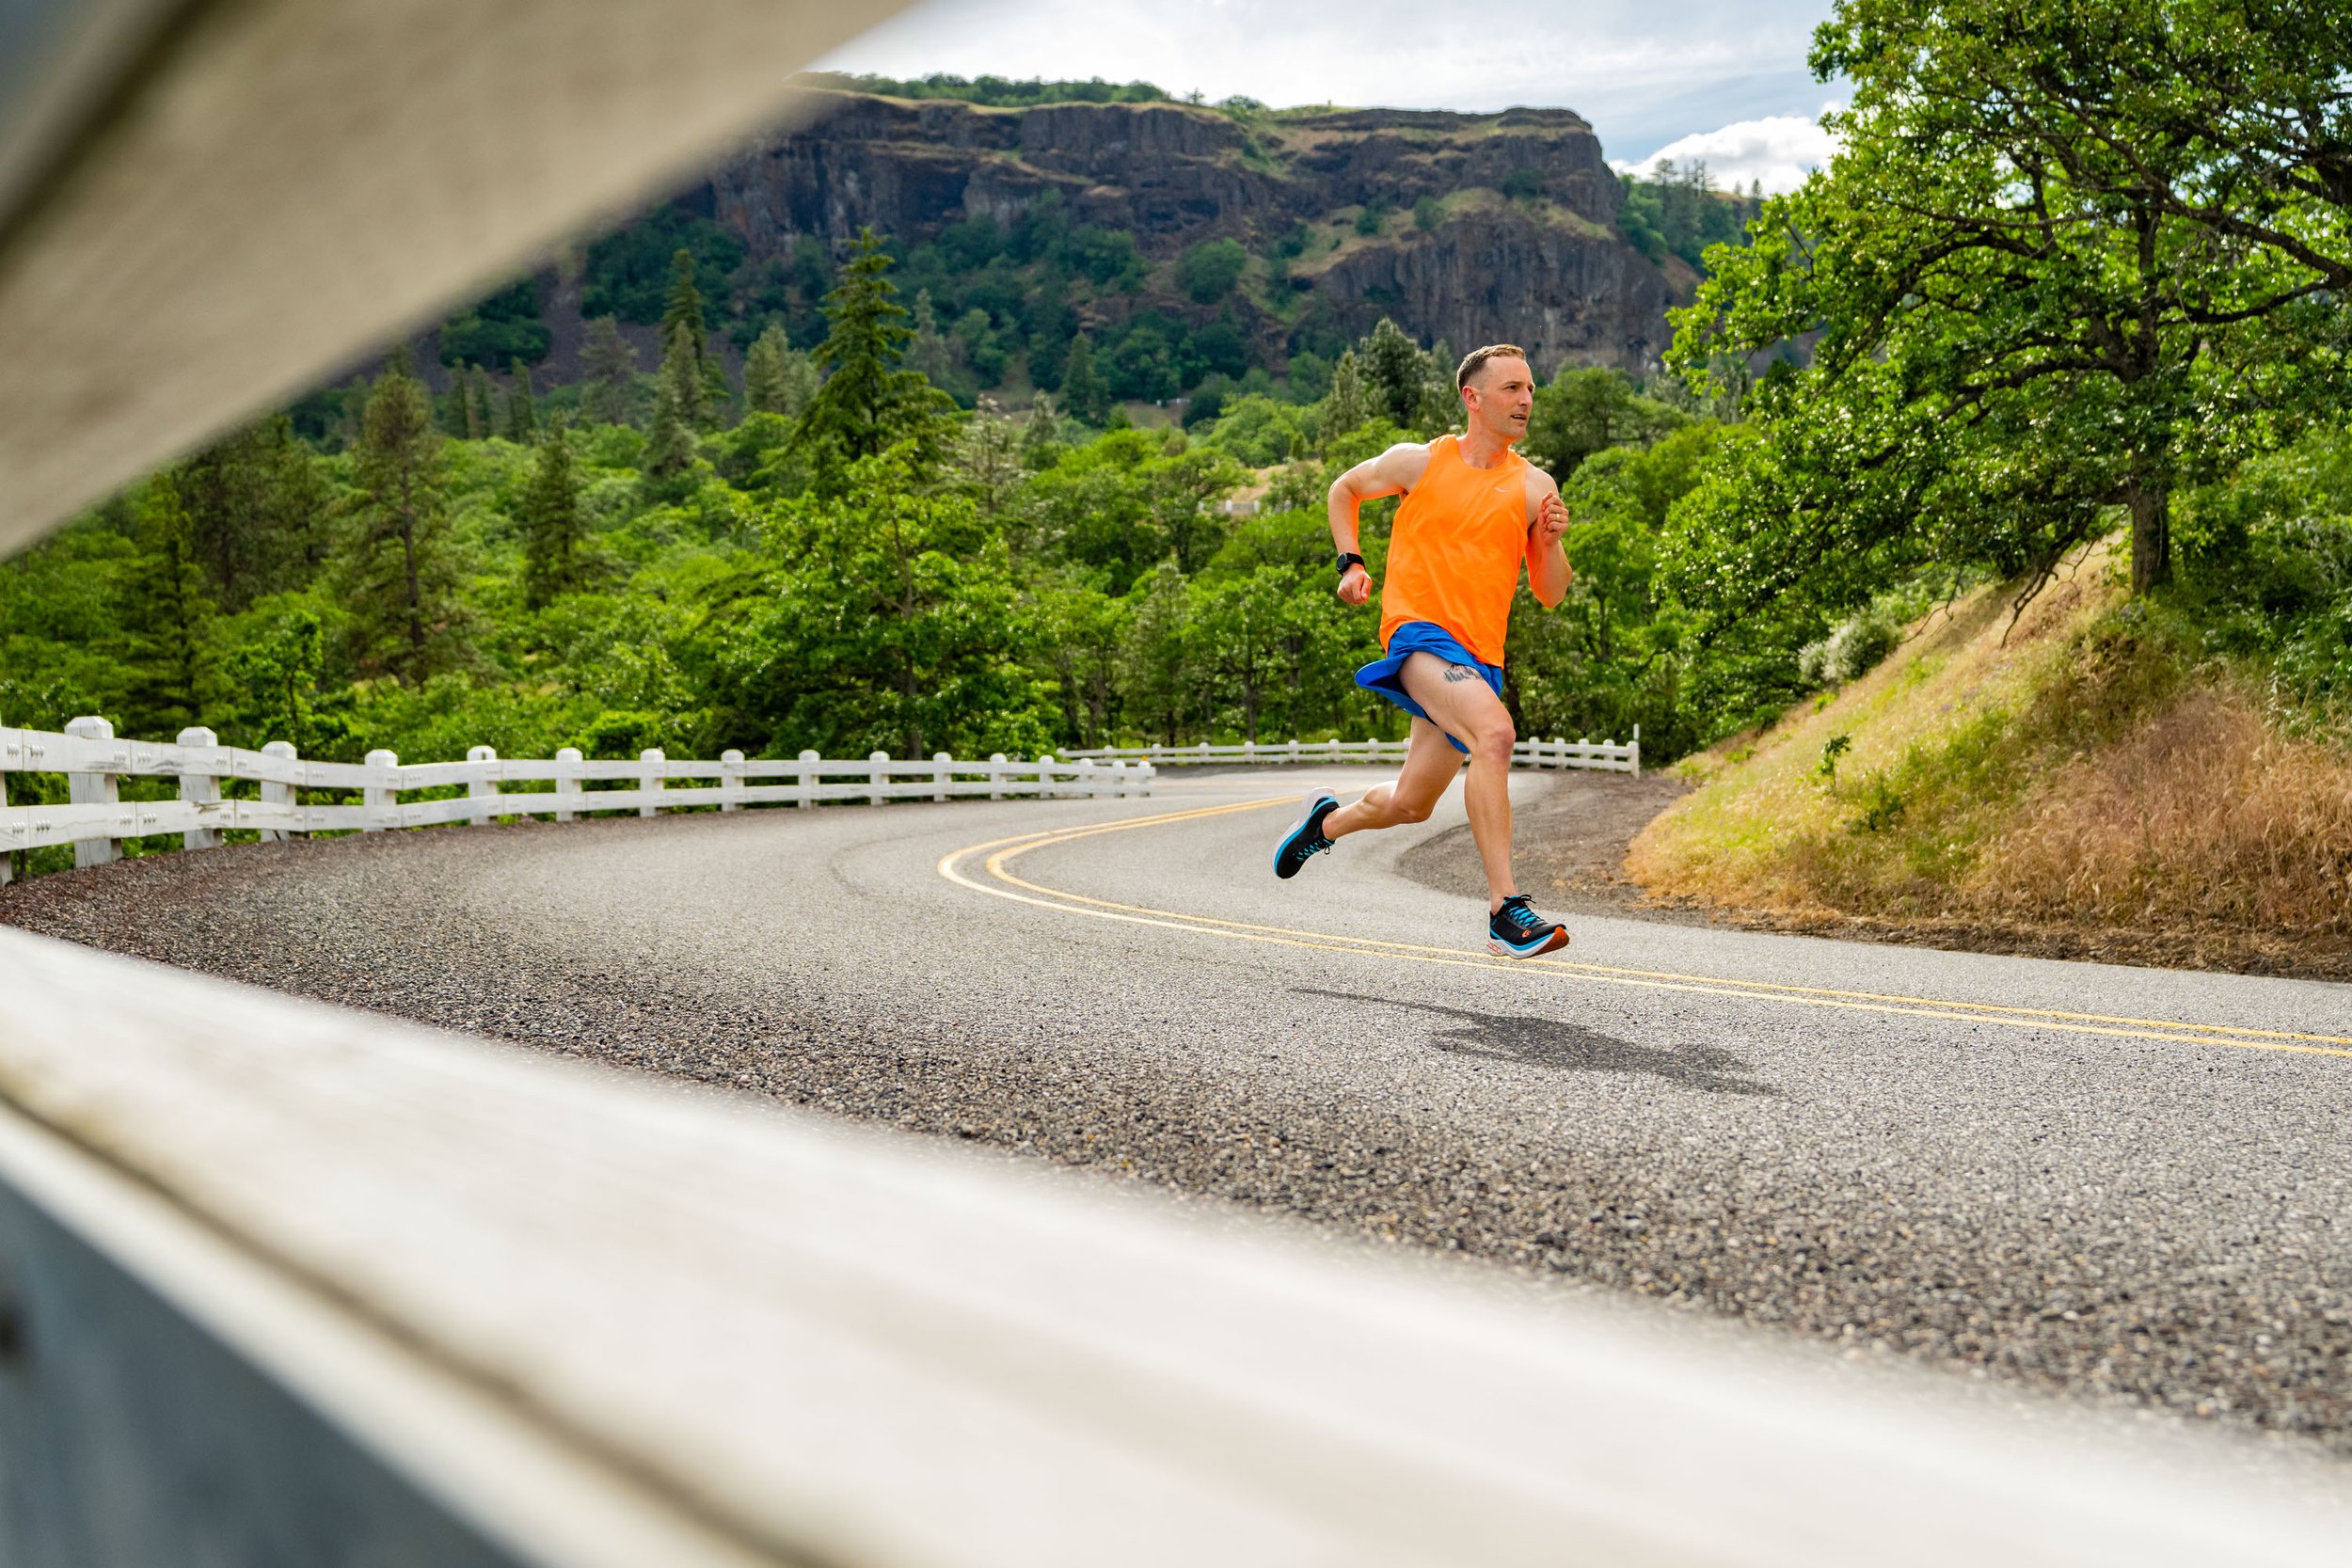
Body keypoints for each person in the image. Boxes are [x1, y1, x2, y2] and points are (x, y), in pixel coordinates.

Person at [1271, 342, 1574, 958]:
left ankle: (1324, 823)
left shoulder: (1533, 486)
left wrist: (1552, 541)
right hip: (1418, 636)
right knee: (1495, 735)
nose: (1525, 400)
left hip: (1476, 658)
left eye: (1531, 389)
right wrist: (1350, 561)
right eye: (1512, 388)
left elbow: (1550, 592)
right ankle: (1504, 909)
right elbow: (1344, 489)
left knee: (1412, 804)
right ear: (1473, 397)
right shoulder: (1419, 462)